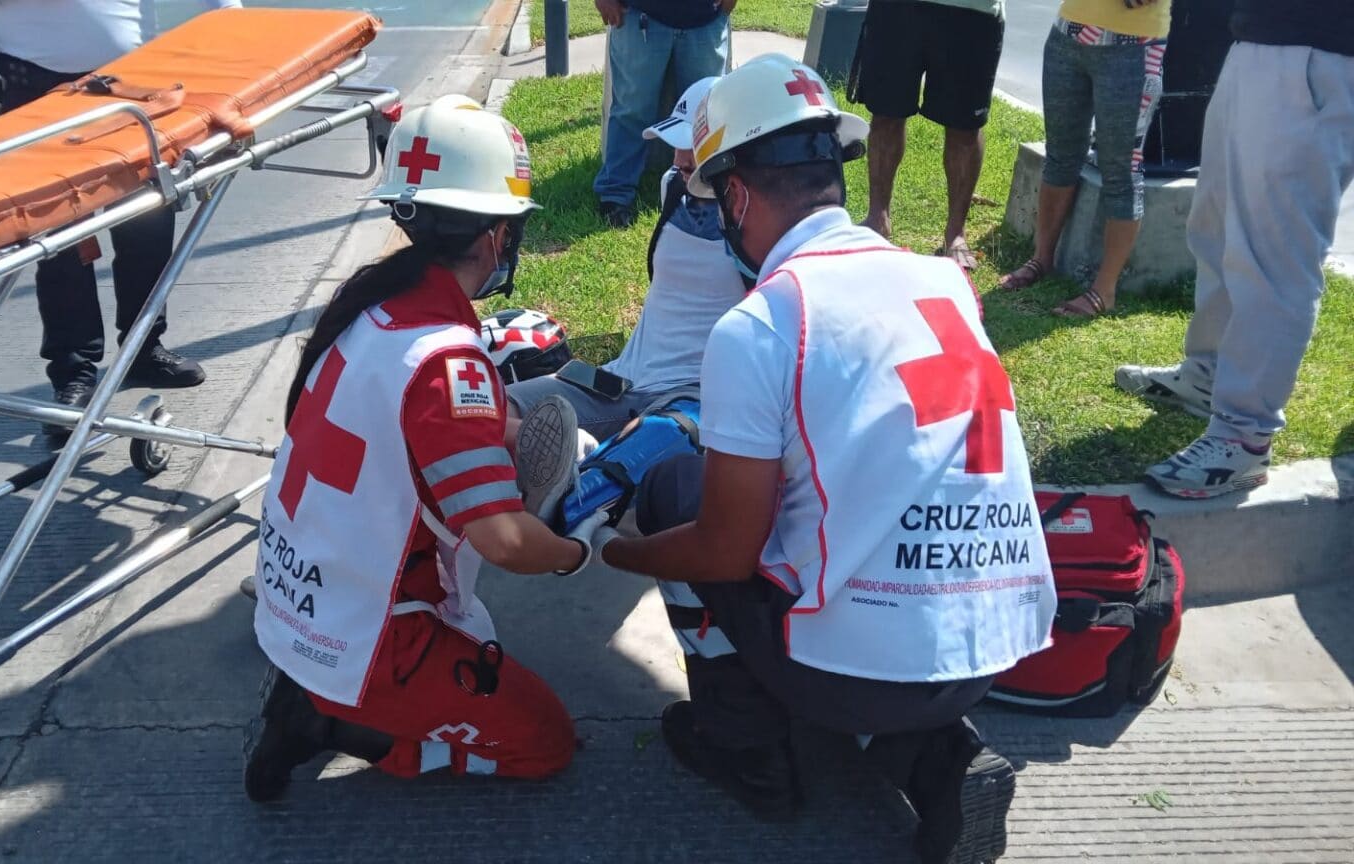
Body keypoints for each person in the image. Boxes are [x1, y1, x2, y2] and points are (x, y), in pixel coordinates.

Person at [569, 55, 1056, 860]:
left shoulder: (762, 323)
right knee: (857, 576)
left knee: (674, 488)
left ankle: (743, 744)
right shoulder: (943, 282)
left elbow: (724, 551)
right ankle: (941, 757)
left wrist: (616, 551)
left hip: (851, 673)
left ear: (735, 196)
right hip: (987, 652)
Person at [243, 102, 602, 801]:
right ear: (498, 235)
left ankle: (315, 692)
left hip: (300, 605)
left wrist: (511, 436)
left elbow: (423, 430)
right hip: (375, 636)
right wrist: (574, 552)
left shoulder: (370, 310)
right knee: (546, 743)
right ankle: (337, 725)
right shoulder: (448, 362)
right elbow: (504, 541)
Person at [1114, 0, 1353, 498]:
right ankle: (1209, 376)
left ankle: (1244, 437)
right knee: (1216, 230)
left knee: (1274, 255)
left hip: (1319, 52)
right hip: (1258, 40)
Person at [0, 0, 229, 446]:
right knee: (59, 245)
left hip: (136, 84)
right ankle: (73, 373)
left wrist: (231, 21)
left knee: (148, 226)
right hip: (36, 88)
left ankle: (143, 349)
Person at [506, 76, 748, 450]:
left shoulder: (755, 222)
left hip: (687, 397)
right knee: (497, 409)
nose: (680, 159)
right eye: (676, 145)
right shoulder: (674, 185)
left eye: (692, 146)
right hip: (621, 380)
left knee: (613, 465)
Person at [997, 0, 1171, 317]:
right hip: (1069, 33)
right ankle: (1042, 258)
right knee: (1060, 155)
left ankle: (1104, 290)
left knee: (1121, 169)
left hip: (1135, 46)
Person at [851, 0, 1006, 270]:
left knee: (965, 128)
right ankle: (877, 218)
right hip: (897, 10)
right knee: (886, 114)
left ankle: (955, 234)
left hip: (972, 12)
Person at [593, 0, 731, 228]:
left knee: (706, 115)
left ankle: (709, 190)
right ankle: (615, 195)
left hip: (706, 18)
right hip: (638, 15)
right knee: (631, 111)